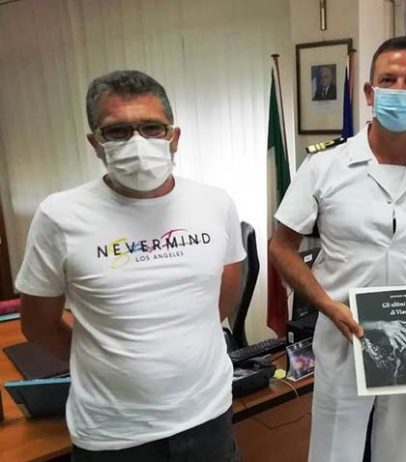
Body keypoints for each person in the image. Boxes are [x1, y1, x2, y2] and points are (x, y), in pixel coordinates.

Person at [15, 70, 245, 461]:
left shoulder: (215, 204)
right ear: (95, 143)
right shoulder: (60, 216)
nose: (137, 142)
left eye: (152, 128)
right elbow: (38, 325)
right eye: (117, 131)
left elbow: (219, 300)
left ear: (174, 137)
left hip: (208, 419)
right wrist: (109, 362)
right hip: (115, 435)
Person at [269, 36, 406, 462]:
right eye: (389, 79)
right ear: (369, 92)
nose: (400, 89)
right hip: (345, 331)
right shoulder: (325, 165)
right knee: (335, 451)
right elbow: (282, 245)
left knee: (397, 449)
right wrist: (325, 305)